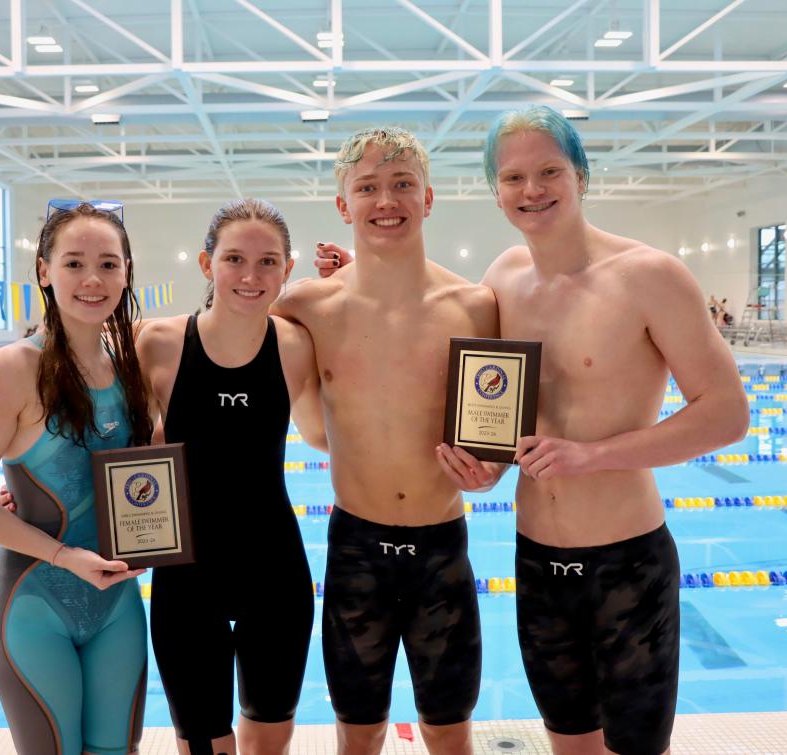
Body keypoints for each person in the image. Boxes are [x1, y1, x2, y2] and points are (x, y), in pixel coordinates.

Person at [469, 106, 747, 755]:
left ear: (581, 175)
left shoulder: (649, 276)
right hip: (537, 561)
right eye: (513, 177)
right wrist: (486, 463)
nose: (531, 190)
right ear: (496, 190)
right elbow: (493, 412)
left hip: (628, 563)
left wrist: (592, 455)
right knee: (570, 746)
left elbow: (728, 410)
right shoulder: (502, 279)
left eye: (548, 171)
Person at [274, 127, 499, 755]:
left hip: (442, 552)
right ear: (343, 207)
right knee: (359, 734)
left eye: (402, 184)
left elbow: (504, 421)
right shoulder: (306, 307)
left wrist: (497, 471)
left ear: (428, 198)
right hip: (356, 551)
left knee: (451, 733)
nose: (386, 200)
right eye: (367, 187)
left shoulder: (476, 307)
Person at [0, 202, 152, 755]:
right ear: (43, 271)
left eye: (109, 264)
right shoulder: (11, 370)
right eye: (74, 263)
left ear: (127, 272)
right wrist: (63, 555)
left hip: (118, 607)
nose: (92, 280)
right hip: (36, 606)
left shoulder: (129, 366)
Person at [136, 198, 324, 755]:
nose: (251, 275)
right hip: (187, 580)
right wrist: (29, 492)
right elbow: (116, 443)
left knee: (268, 746)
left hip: (277, 575)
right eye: (235, 259)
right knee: (203, 747)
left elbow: (323, 436)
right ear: (205, 264)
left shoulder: (295, 345)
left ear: (288, 270)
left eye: (269, 262)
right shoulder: (159, 343)